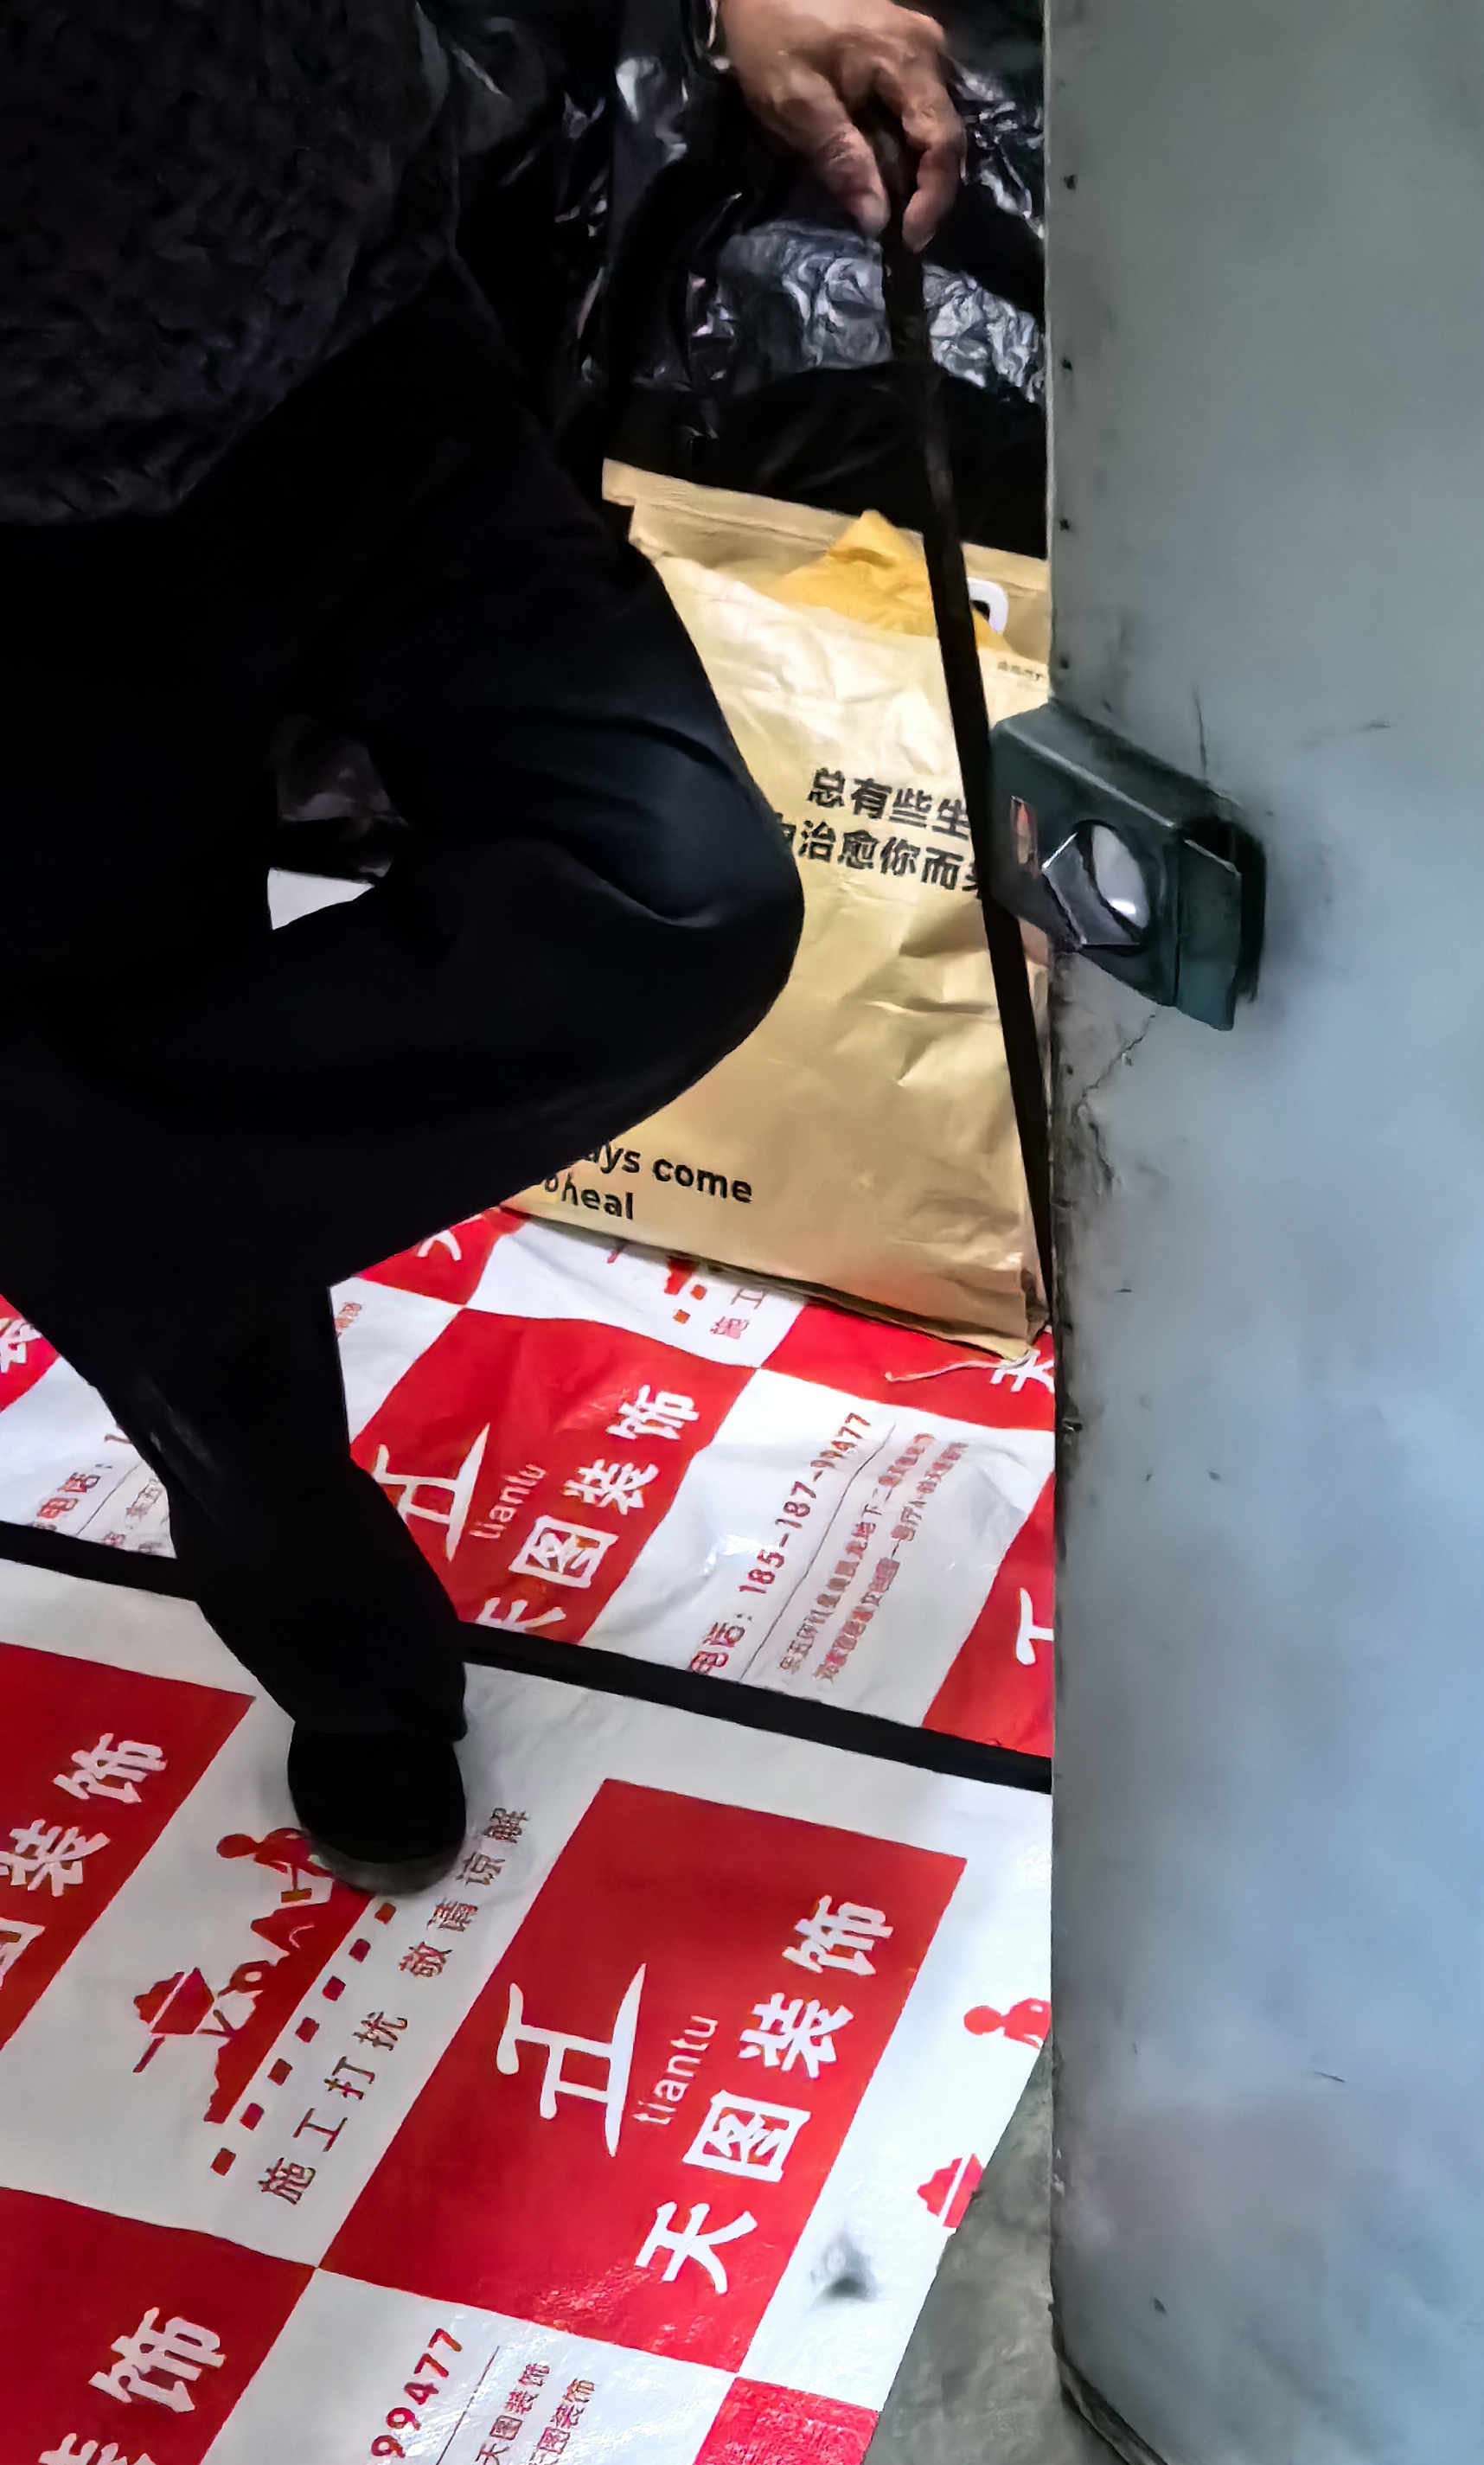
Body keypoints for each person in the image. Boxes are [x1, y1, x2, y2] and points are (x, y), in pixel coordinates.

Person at [0, 0, 964, 1885]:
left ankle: (47, 1184)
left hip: (356, 343)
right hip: (29, 552)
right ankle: (352, 1667)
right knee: (170, 1193)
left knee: (674, 893)